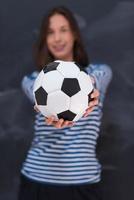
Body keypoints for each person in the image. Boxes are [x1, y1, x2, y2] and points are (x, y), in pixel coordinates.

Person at [18, 6, 112, 200]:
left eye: (63, 30)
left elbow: (97, 79)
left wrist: (86, 89)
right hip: (37, 181)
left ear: (75, 34)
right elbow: (35, 93)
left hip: (83, 184)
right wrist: (48, 110)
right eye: (50, 32)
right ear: (45, 39)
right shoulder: (33, 80)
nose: (57, 38)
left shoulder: (99, 72)